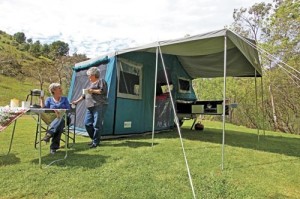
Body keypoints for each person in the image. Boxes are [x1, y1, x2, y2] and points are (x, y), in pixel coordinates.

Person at [72, 67, 107, 148]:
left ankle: (95, 142)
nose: (88, 77)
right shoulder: (90, 85)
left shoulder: (101, 81)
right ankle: (94, 139)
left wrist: (92, 90)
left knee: (97, 124)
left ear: (93, 75)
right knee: (87, 124)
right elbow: (84, 96)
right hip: (89, 106)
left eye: (89, 75)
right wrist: (76, 101)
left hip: (99, 105)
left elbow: (102, 91)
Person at [40, 83, 70, 154]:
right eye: (59, 88)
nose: (61, 89)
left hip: (65, 119)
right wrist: (42, 99)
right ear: (53, 90)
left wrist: (59, 111)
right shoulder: (49, 99)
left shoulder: (64, 99)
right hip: (53, 120)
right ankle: (53, 148)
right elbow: (44, 109)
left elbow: (68, 109)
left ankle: (49, 134)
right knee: (58, 127)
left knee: (61, 120)